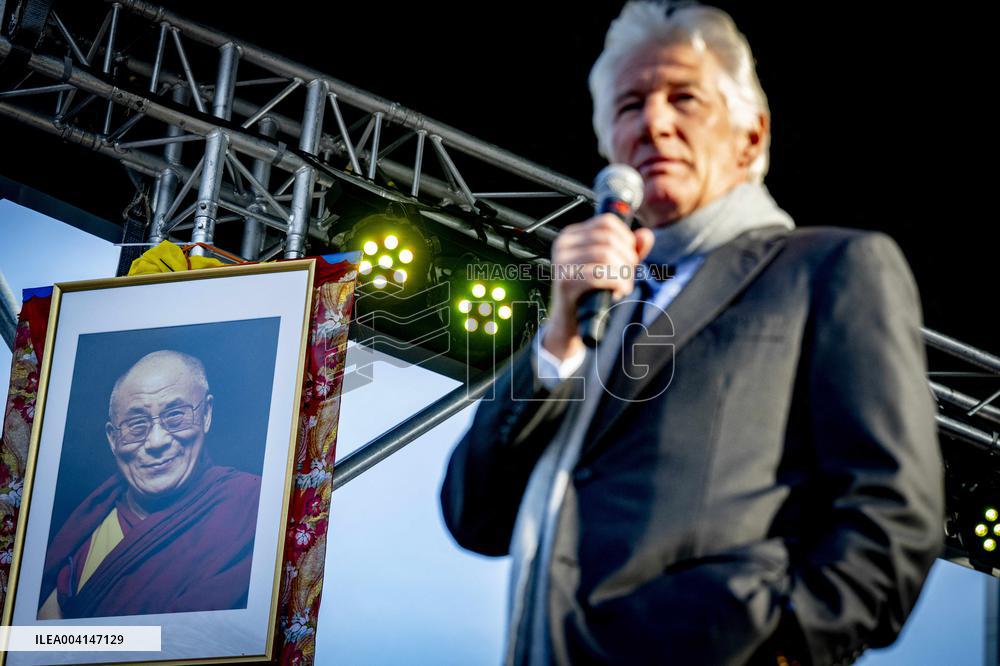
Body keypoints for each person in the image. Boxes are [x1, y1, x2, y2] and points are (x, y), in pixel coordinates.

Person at [440, 2, 944, 664]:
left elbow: (895, 511)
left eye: (685, 97)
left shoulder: (829, 269)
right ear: (609, 146)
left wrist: (772, 644)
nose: (654, 122)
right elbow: (476, 514)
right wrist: (561, 334)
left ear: (752, 136)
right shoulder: (602, 307)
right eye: (629, 106)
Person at [38, 350, 262, 619]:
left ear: (206, 414)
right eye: (135, 425)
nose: (157, 442)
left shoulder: (252, 504)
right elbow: (38, 646)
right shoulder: (88, 526)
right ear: (112, 438)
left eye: (176, 416)